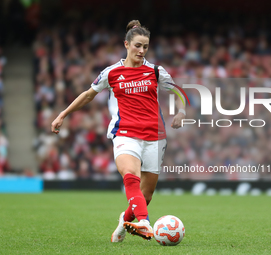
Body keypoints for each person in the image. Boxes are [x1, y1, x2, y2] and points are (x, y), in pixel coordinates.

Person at [51, 20, 185, 242]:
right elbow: (88, 95)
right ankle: (143, 221)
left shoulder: (155, 71)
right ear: (126, 44)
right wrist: (62, 114)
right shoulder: (111, 73)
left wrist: (181, 112)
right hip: (125, 133)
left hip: (154, 137)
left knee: (146, 195)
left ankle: (125, 220)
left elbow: (179, 92)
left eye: (145, 47)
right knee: (130, 175)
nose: (141, 51)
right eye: (137, 46)